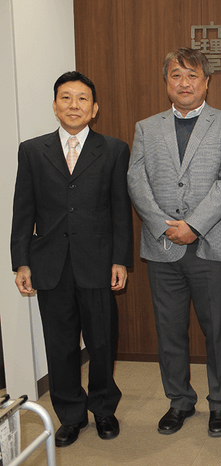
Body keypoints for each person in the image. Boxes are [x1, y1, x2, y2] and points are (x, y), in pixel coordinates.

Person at [127, 48, 221, 438]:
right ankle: (179, 401)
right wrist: (165, 226)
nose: (184, 83)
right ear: (167, 83)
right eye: (176, 75)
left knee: (219, 330)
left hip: (211, 244)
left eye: (192, 76)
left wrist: (192, 225)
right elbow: (136, 180)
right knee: (170, 329)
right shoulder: (147, 127)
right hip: (162, 246)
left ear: (206, 82)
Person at [10, 71, 132, 447]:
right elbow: (23, 209)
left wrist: (120, 260)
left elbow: (119, 210)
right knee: (60, 345)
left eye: (82, 99)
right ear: (54, 105)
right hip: (50, 265)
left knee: (101, 342)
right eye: (66, 98)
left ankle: (104, 409)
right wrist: (22, 262)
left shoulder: (113, 149)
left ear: (94, 109)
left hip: (97, 262)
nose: (73, 105)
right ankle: (70, 415)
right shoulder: (32, 150)